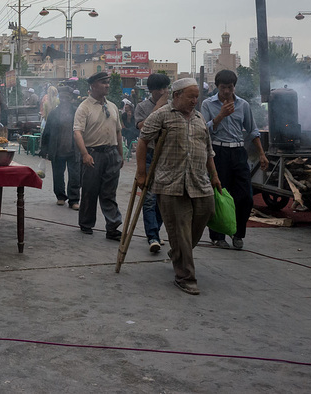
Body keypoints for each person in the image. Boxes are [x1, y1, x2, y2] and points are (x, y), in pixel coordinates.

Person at [136, 78, 222, 295]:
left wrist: (214, 175)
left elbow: (208, 150)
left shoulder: (199, 118)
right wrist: (141, 173)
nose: (195, 101)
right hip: (170, 183)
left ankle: (178, 253)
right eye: (190, 96)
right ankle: (185, 276)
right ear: (176, 95)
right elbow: (143, 140)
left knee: (206, 211)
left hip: (199, 181)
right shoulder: (162, 115)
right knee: (181, 230)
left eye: (196, 97)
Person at [201, 69, 269, 250]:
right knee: (219, 194)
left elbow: (252, 130)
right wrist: (220, 116)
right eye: (223, 88)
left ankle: (238, 233)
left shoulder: (243, 105)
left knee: (245, 196)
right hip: (217, 151)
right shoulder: (208, 104)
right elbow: (202, 130)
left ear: (234, 87)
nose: (226, 92)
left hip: (238, 151)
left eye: (230, 87)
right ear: (217, 87)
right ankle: (217, 235)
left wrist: (262, 154)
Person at [73, 72, 125, 240]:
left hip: (111, 154)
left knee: (109, 192)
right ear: (93, 85)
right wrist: (85, 154)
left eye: (108, 82)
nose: (107, 85)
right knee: (89, 191)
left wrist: (120, 154)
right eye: (103, 83)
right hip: (93, 154)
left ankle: (113, 226)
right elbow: (77, 133)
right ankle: (86, 223)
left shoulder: (113, 106)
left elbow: (118, 132)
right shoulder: (84, 107)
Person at [134, 73, 171, 253]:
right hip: (148, 155)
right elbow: (144, 127)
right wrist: (158, 107)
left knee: (163, 199)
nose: (164, 92)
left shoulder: (172, 107)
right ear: (152, 91)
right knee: (148, 199)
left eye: (166, 88)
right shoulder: (142, 107)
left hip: (166, 156)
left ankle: (155, 228)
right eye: (160, 89)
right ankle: (152, 236)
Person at [41, 86, 80, 209]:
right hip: (57, 150)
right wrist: (44, 149)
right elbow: (46, 132)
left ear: (71, 99)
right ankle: (60, 197)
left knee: (74, 176)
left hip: (74, 149)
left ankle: (74, 200)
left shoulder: (76, 112)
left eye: (66, 98)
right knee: (58, 175)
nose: (64, 100)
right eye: (62, 98)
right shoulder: (54, 113)